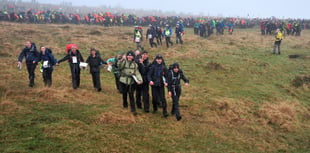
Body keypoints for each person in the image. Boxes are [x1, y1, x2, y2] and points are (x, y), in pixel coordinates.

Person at [118, 50, 143, 115]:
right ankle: (125, 104)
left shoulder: (135, 64)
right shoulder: (123, 62)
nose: (129, 57)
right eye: (128, 55)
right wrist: (122, 60)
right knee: (124, 93)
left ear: (133, 57)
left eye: (131, 55)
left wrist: (140, 80)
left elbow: (137, 73)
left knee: (131, 94)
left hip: (131, 81)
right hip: (123, 80)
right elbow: (119, 67)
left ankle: (133, 109)